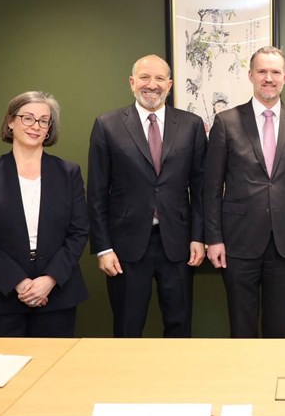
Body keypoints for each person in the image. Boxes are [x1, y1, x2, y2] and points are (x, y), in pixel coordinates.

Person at [88, 54, 206, 338]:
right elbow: (96, 192)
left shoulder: (191, 125)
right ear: (132, 83)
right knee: (128, 326)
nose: (151, 85)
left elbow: (201, 188)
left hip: (177, 244)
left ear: (170, 84)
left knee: (179, 325)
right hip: (125, 246)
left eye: (159, 78)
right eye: (144, 77)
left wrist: (198, 237)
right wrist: (103, 248)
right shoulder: (108, 124)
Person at [205, 46, 285, 338]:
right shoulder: (226, 121)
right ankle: (245, 382)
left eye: (275, 72)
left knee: (278, 326)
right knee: (241, 326)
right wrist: (214, 239)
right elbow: (212, 187)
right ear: (251, 75)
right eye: (262, 71)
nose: (269, 78)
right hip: (237, 240)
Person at [0, 91, 89, 337]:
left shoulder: (68, 172)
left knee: (52, 371)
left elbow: (78, 233)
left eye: (44, 120)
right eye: (28, 118)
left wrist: (49, 280)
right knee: (2, 373)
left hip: (57, 293)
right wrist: (19, 283)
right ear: (10, 121)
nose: (36, 126)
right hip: (0, 294)